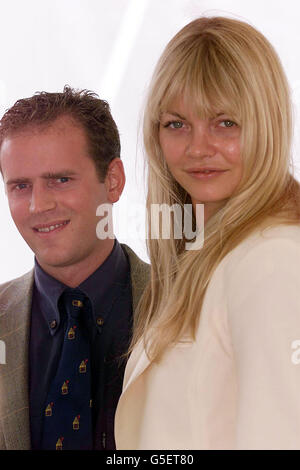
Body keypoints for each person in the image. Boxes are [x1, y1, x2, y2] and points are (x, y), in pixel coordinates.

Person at [115, 17, 300, 450]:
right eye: (177, 124)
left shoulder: (271, 260)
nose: (198, 148)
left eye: (225, 123)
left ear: (267, 124)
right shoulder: (203, 255)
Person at [0, 86, 149, 450]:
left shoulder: (191, 306)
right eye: (20, 186)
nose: (38, 205)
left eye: (60, 180)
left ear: (113, 180)